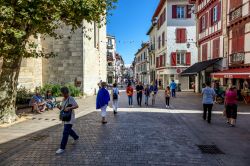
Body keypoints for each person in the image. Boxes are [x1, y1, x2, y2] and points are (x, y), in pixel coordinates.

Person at [56, 87, 79, 154]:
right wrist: (59, 107)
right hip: (65, 117)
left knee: (65, 132)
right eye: (63, 93)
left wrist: (69, 107)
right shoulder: (63, 99)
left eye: (64, 93)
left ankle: (62, 148)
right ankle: (76, 137)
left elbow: (77, 106)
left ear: (66, 92)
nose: (63, 95)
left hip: (70, 118)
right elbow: (63, 109)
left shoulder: (70, 98)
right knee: (68, 130)